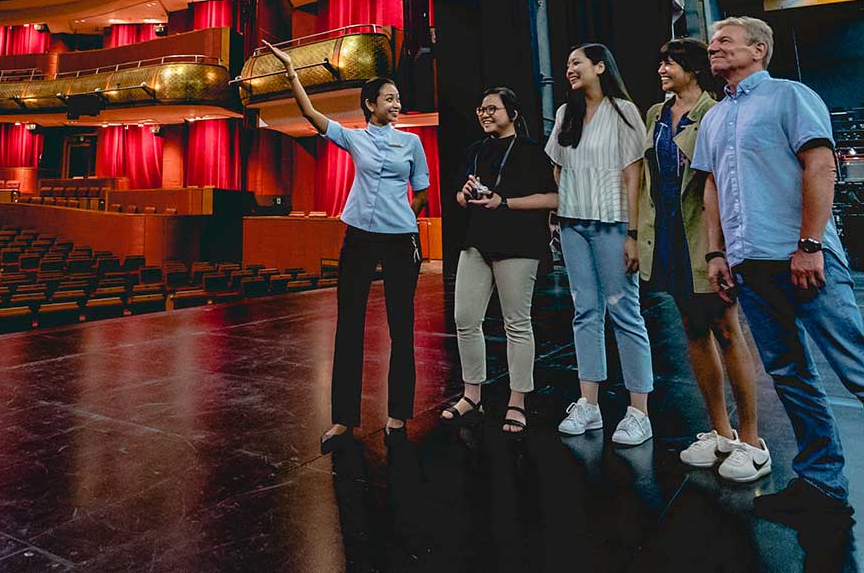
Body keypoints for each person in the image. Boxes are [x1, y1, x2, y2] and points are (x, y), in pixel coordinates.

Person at [695, 17, 864, 570]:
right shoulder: (716, 116)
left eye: (725, 39)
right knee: (791, 376)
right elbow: (712, 187)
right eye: (711, 42)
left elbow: (819, 164)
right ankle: (821, 486)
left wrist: (810, 244)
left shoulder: (789, 96)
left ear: (759, 49)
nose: (713, 46)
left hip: (803, 258)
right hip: (750, 263)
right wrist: (716, 254)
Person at [263, 42, 430, 450]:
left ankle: (396, 416)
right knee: (349, 325)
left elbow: (421, 192)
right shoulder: (354, 139)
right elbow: (310, 115)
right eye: (389, 98)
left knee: (401, 327)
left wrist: (400, 214)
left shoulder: (412, 144)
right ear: (370, 104)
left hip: (400, 239)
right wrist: (291, 72)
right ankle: (342, 421)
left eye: (398, 98)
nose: (397, 103)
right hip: (358, 237)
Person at [637, 37, 769, 482]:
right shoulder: (656, 115)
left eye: (670, 63)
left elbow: (724, 180)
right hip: (669, 235)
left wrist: (724, 247)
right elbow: (648, 181)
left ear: (691, 69)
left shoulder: (715, 112)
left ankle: (752, 440)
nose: (662, 70)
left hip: (707, 234)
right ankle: (721, 431)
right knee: (692, 329)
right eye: (661, 62)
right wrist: (638, 235)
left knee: (727, 330)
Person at [545, 43, 654, 446]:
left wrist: (632, 233)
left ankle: (639, 411)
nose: (570, 69)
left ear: (600, 66)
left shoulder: (624, 111)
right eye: (567, 63)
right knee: (584, 311)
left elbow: (633, 178)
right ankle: (588, 404)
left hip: (613, 225)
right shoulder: (564, 114)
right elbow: (557, 168)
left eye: (577, 62)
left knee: (624, 310)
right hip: (575, 225)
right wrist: (573, 206)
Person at [441, 87, 559, 434]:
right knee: (465, 319)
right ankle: (472, 394)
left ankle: (517, 402)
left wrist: (503, 202)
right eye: (480, 108)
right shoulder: (475, 151)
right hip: (476, 242)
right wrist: (464, 196)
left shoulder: (531, 151)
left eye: (492, 108)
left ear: (513, 113)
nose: (485, 113)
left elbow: (554, 197)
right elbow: (459, 197)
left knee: (516, 324)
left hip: (518, 244)